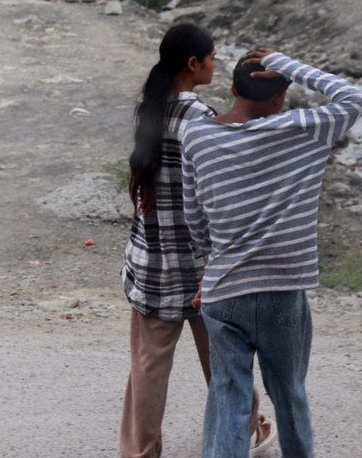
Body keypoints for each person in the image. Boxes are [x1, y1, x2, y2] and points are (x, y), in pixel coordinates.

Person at [181, 48, 362, 458]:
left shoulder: (196, 135)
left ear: (232, 90)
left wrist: (209, 268)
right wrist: (287, 64)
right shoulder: (302, 129)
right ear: (281, 98)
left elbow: (194, 219)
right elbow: (356, 99)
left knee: (228, 398)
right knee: (289, 394)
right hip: (283, 289)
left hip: (224, 290)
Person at [120, 24, 272, 458]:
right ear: (193, 64)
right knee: (225, 363)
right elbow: (219, 192)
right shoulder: (199, 118)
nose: (215, 63)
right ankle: (247, 428)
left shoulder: (145, 109)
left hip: (151, 261)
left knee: (148, 367)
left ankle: (139, 451)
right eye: (211, 57)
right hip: (202, 267)